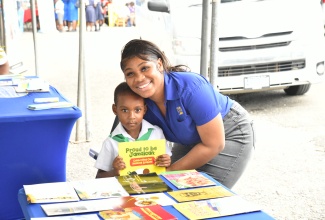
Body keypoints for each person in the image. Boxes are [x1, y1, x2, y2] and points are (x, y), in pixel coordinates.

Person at [119, 39, 256, 189]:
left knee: (204, 194)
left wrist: (170, 171)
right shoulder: (136, 101)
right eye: (130, 73)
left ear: (159, 64)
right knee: (166, 188)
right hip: (191, 139)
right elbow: (119, 142)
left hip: (229, 132)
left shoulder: (192, 87)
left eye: (144, 68)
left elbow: (214, 144)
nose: (139, 78)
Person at [95, 82, 172, 178]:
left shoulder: (156, 133)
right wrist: (115, 172)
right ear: (115, 110)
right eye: (124, 110)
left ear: (144, 110)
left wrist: (167, 161)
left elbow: (167, 162)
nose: (131, 117)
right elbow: (99, 177)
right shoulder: (111, 142)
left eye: (137, 110)